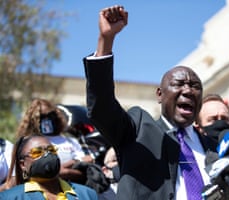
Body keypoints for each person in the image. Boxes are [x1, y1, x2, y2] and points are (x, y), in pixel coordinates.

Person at [83, 5, 216, 200]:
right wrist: (106, 40)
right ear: (160, 94)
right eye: (179, 84)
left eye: (195, 86)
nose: (188, 90)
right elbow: (102, 107)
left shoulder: (213, 145)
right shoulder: (139, 128)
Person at [15, 98, 93, 183]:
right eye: (41, 117)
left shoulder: (70, 141)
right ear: (33, 120)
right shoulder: (29, 143)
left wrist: (64, 169)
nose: (47, 120)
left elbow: (86, 163)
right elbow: (39, 170)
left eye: (51, 115)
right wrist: (71, 165)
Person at [0, 135, 98, 199]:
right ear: (23, 165)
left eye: (51, 150)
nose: (47, 155)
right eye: (37, 152)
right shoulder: (10, 197)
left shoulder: (88, 194)